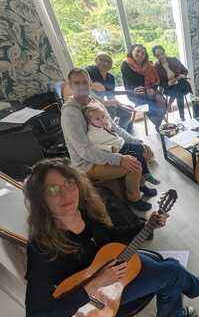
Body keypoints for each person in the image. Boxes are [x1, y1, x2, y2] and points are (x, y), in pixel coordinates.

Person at [24, 158, 199, 317]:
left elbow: (112, 239)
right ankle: (182, 312)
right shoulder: (40, 247)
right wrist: (95, 284)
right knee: (172, 272)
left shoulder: (85, 211)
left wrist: (146, 226)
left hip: (115, 265)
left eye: (69, 183)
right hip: (99, 298)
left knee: (172, 266)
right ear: (40, 199)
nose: (66, 194)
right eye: (53, 189)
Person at [61, 67, 154, 212]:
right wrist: (119, 159)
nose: (81, 86)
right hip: (88, 163)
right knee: (134, 165)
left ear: (90, 83)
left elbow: (114, 128)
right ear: (70, 86)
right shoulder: (70, 114)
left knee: (143, 151)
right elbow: (85, 151)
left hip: (107, 147)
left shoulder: (93, 101)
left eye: (84, 82)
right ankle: (134, 199)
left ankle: (140, 184)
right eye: (76, 83)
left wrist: (137, 141)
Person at [83, 102, 160, 186]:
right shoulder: (91, 135)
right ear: (90, 121)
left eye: (103, 117)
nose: (102, 120)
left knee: (140, 147)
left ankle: (143, 177)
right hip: (117, 150)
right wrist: (110, 148)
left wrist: (137, 141)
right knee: (137, 157)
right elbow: (96, 146)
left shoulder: (104, 125)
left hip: (123, 144)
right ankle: (147, 174)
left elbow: (116, 130)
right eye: (97, 119)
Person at [121, 44, 168, 132]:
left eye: (143, 52)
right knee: (151, 104)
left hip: (151, 90)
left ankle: (158, 124)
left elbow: (155, 81)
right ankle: (158, 125)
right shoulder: (126, 65)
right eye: (137, 51)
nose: (140, 54)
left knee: (162, 101)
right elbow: (130, 85)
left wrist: (152, 89)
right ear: (132, 52)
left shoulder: (149, 65)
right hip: (135, 93)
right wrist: (146, 90)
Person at [85, 52, 133, 131]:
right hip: (90, 106)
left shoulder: (111, 77)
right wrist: (104, 102)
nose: (106, 63)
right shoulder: (88, 71)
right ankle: (108, 131)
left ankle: (119, 131)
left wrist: (122, 105)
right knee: (111, 108)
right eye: (102, 60)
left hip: (103, 104)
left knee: (127, 112)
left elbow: (111, 96)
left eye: (109, 61)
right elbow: (86, 91)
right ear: (96, 60)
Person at [152, 45, 192, 121]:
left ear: (164, 52)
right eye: (158, 55)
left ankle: (169, 103)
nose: (161, 56)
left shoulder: (173, 60)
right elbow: (158, 82)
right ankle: (182, 117)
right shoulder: (156, 67)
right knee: (179, 92)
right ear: (155, 56)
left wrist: (182, 75)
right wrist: (169, 83)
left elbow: (185, 70)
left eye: (162, 53)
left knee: (179, 85)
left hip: (181, 84)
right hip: (168, 88)